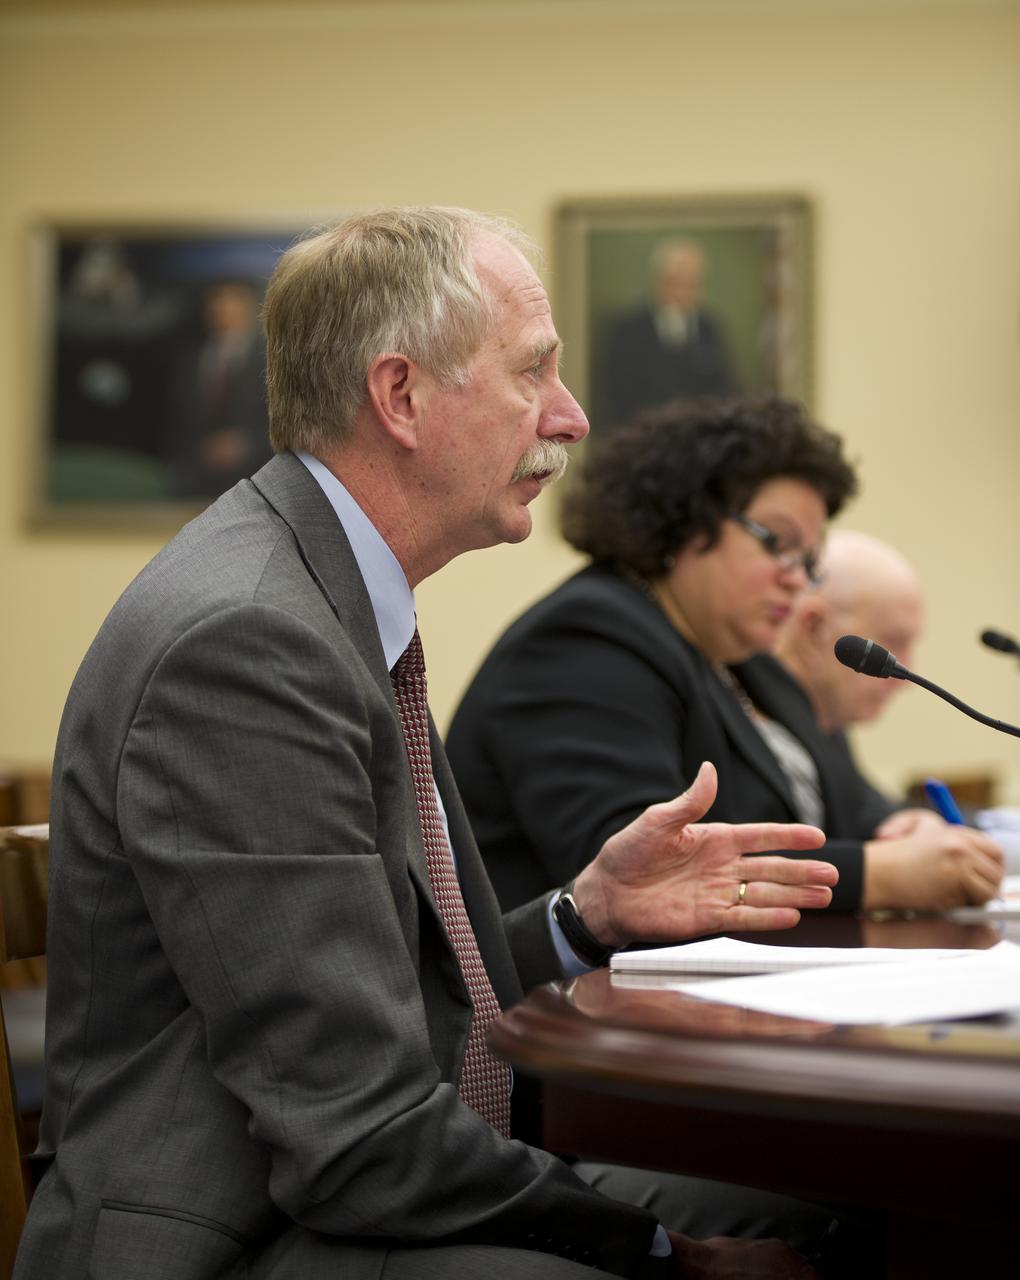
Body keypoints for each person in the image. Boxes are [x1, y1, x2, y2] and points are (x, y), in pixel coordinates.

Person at [16, 209, 849, 1280]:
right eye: (534, 372)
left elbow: (377, 986)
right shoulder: (250, 639)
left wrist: (580, 914)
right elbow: (359, 1135)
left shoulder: (320, 593)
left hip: (329, 1188)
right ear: (401, 396)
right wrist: (670, 1255)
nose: (573, 416)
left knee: (815, 1195)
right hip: (235, 1236)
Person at [772, 530, 1004, 910]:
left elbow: (870, 814)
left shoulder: (826, 726)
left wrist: (916, 825)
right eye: (893, 641)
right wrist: (880, 873)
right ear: (814, 626)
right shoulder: (745, 707)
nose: (907, 674)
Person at [601, 239, 737, 429]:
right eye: (675, 282)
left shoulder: (710, 329)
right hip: (643, 435)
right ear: (657, 281)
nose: (682, 292)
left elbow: (724, 387)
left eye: (690, 284)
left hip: (698, 435)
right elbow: (615, 391)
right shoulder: (628, 329)